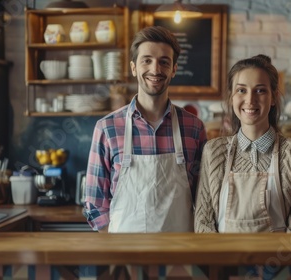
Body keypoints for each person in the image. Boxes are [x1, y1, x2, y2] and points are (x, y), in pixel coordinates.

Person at [84, 26, 207, 233]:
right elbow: (95, 204)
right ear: (134, 68)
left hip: (180, 254)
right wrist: (117, 249)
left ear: (174, 69)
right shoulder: (107, 128)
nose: (155, 70)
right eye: (147, 60)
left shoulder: (194, 128)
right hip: (125, 255)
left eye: (164, 62)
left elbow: (204, 198)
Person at [194, 54, 291, 233]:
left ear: (273, 97)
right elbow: (203, 223)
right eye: (241, 90)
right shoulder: (213, 151)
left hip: (276, 260)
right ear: (231, 97)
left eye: (260, 90)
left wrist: (275, 261)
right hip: (224, 259)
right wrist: (219, 261)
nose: (250, 100)